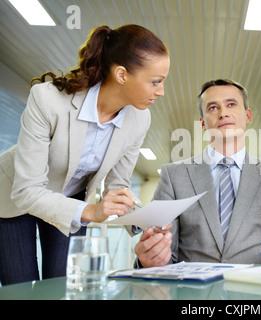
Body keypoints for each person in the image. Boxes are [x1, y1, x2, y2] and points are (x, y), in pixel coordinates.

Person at [0, 24, 170, 285]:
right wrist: (92, 210)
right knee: (22, 287)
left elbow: (118, 187)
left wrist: (145, 221)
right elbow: (27, 191)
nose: (161, 91)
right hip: (16, 194)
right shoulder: (48, 100)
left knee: (64, 285)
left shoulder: (139, 119)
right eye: (155, 82)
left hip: (70, 198)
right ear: (122, 74)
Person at [135, 79, 261, 267]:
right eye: (213, 108)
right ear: (202, 123)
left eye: (231, 104)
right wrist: (149, 260)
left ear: (248, 116)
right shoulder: (174, 176)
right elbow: (164, 254)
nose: (223, 113)